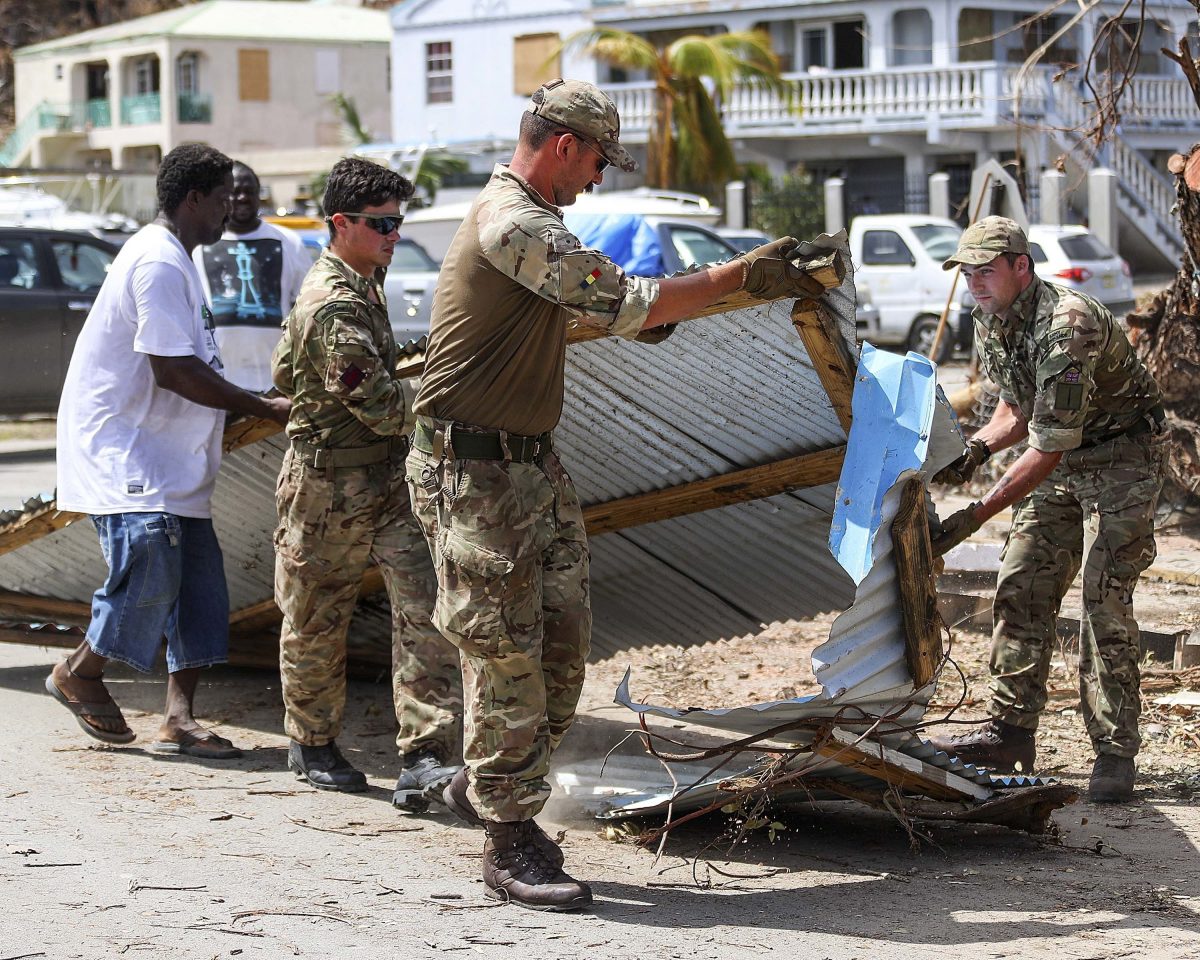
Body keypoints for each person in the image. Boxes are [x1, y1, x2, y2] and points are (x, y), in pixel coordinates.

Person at [406, 77, 825, 911]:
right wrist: (744, 276)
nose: (600, 176)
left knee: (562, 648)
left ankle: (485, 784)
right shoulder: (512, 222)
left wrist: (690, 297)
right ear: (564, 145)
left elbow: (600, 309)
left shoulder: (539, 224)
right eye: (598, 159)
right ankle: (510, 835)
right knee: (507, 651)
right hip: (474, 472)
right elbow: (623, 298)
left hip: (527, 466)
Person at [47, 143, 291, 757]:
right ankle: (81, 671)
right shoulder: (157, 261)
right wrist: (260, 406)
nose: (229, 210)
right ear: (195, 199)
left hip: (171, 455)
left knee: (201, 586)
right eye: (221, 198)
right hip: (126, 452)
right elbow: (171, 368)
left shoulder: (179, 259)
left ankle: (179, 718)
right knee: (152, 562)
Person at [928, 216, 1165, 804]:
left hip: (1121, 456)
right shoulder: (994, 319)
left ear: (1021, 268)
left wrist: (973, 514)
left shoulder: (1068, 325)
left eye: (987, 270)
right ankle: (1009, 734)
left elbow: (1048, 447)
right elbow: (1015, 409)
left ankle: (1114, 752)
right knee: (1022, 584)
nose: (976, 283)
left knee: (1103, 599)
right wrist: (975, 449)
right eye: (968, 272)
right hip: (1061, 453)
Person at [272, 156, 463, 809]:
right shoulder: (331, 301)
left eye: (397, 222)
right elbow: (380, 404)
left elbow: (280, 371)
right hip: (328, 486)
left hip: (379, 478)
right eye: (381, 223)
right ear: (340, 223)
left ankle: (427, 753)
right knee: (317, 616)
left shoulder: (363, 283)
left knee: (426, 607)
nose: (393, 235)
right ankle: (314, 742)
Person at [193, 162, 311, 392]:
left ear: (259, 196)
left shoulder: (289, 242)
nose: (242, 198)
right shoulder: (200, 245)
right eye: (235, 192)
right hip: (219, 384)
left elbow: (307, 310)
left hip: (276, 384)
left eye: (249, 191)